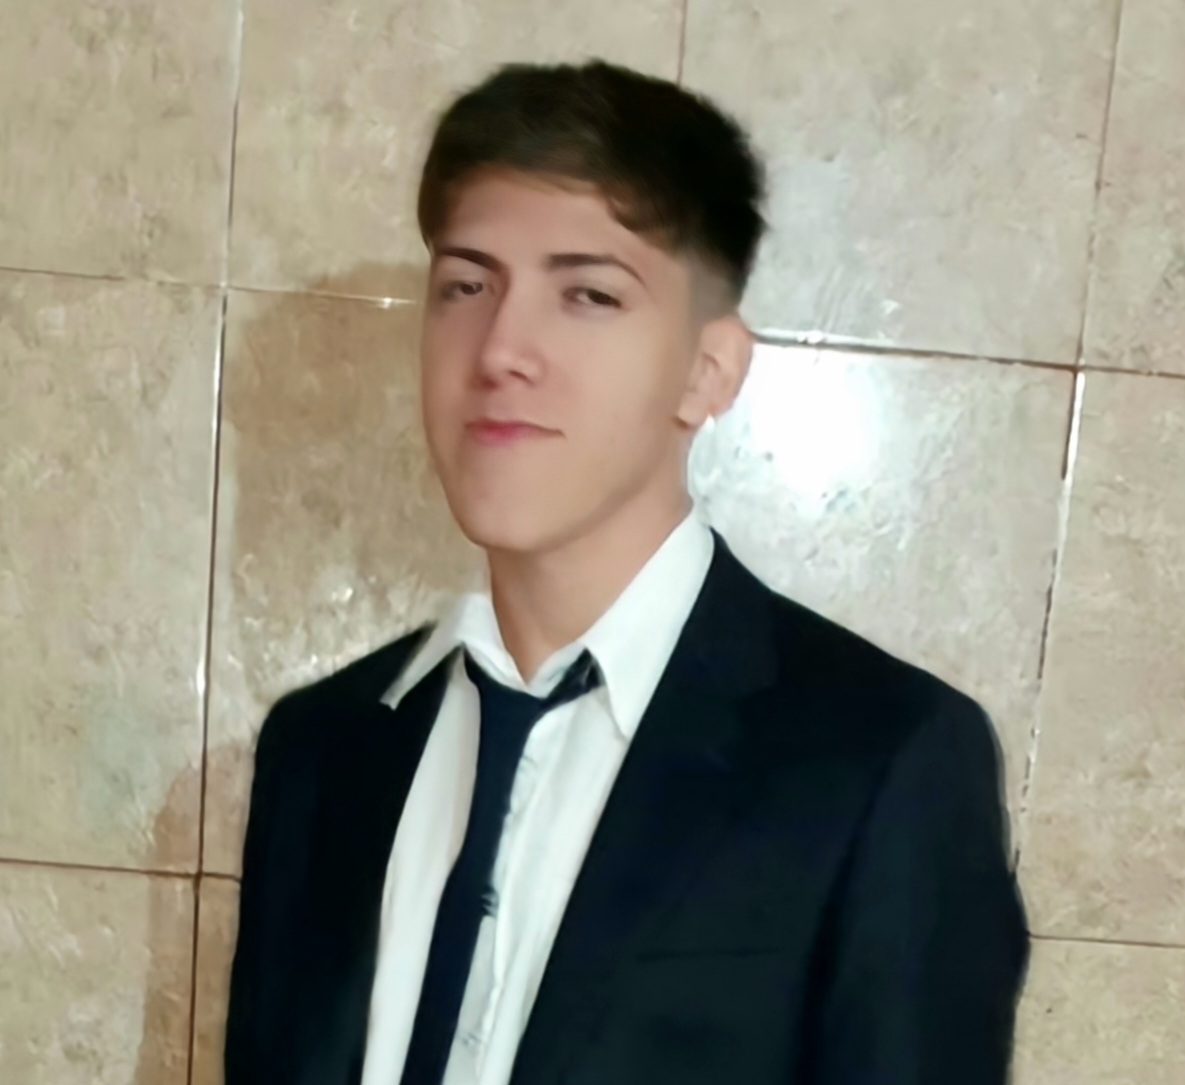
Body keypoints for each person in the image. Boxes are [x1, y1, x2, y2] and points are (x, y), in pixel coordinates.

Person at [224, 59, 1029, 1085]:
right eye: (466, 285)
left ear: (707, 369)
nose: (500, 348)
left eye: (588, 294)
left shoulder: (881, 759)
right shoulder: (322, 748)